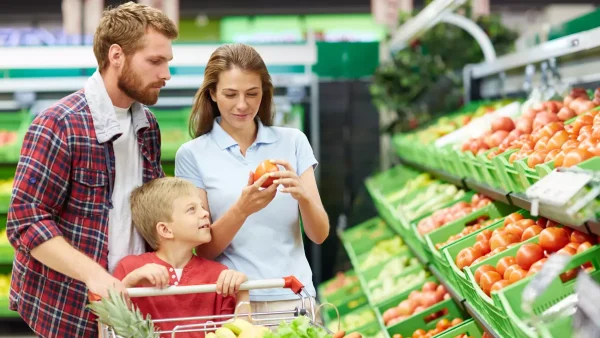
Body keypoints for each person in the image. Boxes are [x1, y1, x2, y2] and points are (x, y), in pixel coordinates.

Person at [5, 2, 177, 336]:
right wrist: (95, 275)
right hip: (70, 307)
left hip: (133, 304)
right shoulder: (59, 124)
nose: (166, 74)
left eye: (167, 62)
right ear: (117, 56)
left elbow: (144, 208)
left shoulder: (147, 126)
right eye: (155, 61)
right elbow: (26, 222)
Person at [175, 43, 330, 316]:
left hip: (294, 299)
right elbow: (204, 251)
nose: (242, 105)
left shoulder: (293, 142)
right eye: (230, 94)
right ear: (212, 93)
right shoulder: (192, 155)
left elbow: (319, 235)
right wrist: (243, 208)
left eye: (252, 93)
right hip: (233, 304)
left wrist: (303, 197)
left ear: (264, 93)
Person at [112, 177, 249, 337]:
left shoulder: (219, 274)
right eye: (192, 209)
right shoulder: (130, 268)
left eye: (203, 207)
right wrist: (129, 282)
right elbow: (113, 324)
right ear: (165, 230)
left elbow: (239, 331)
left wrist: (242, 291)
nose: (205, 213)